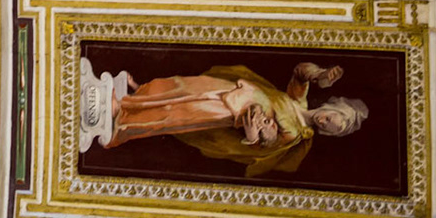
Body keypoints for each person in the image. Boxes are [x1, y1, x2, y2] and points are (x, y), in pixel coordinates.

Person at [80, 56, 366, 176]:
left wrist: (254, 133)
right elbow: (300, 72)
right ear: (330, 106)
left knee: (178, 112)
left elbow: (263, 145)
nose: (326, 121)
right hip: (229, 89)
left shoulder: (295, 134)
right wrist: (320, 75)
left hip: (226, 113)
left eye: (332, 127)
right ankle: (135, 96)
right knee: (180, 86)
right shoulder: (298, 99)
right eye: (332, 116)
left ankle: (125, 117)